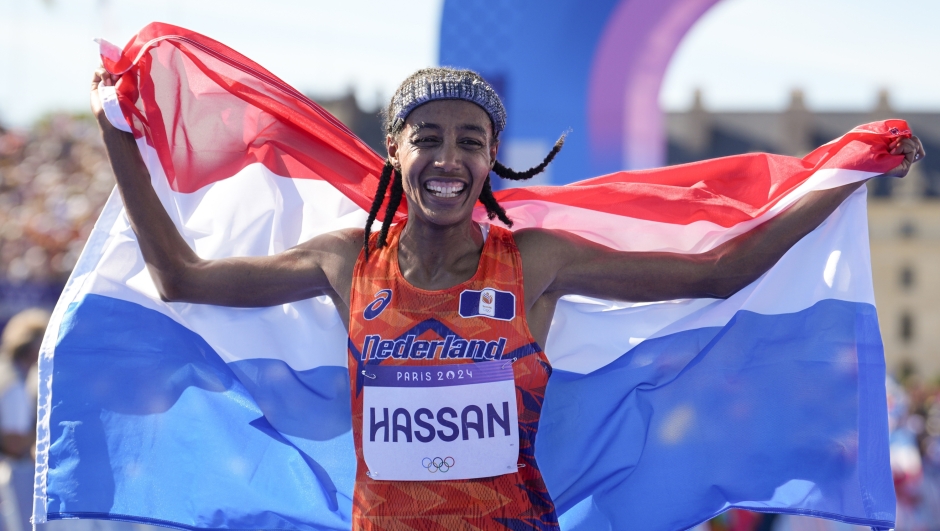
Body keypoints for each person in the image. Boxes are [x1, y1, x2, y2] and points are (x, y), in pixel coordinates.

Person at [90, 66, 925, 530]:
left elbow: (717, 272)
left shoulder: (537, 260)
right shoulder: (347, 260)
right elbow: (183, 280)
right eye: (429, 138)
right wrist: (119, 135)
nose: (448, 158)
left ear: (493, 159)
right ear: (395, 151)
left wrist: (845, 172)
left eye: (471, 141)